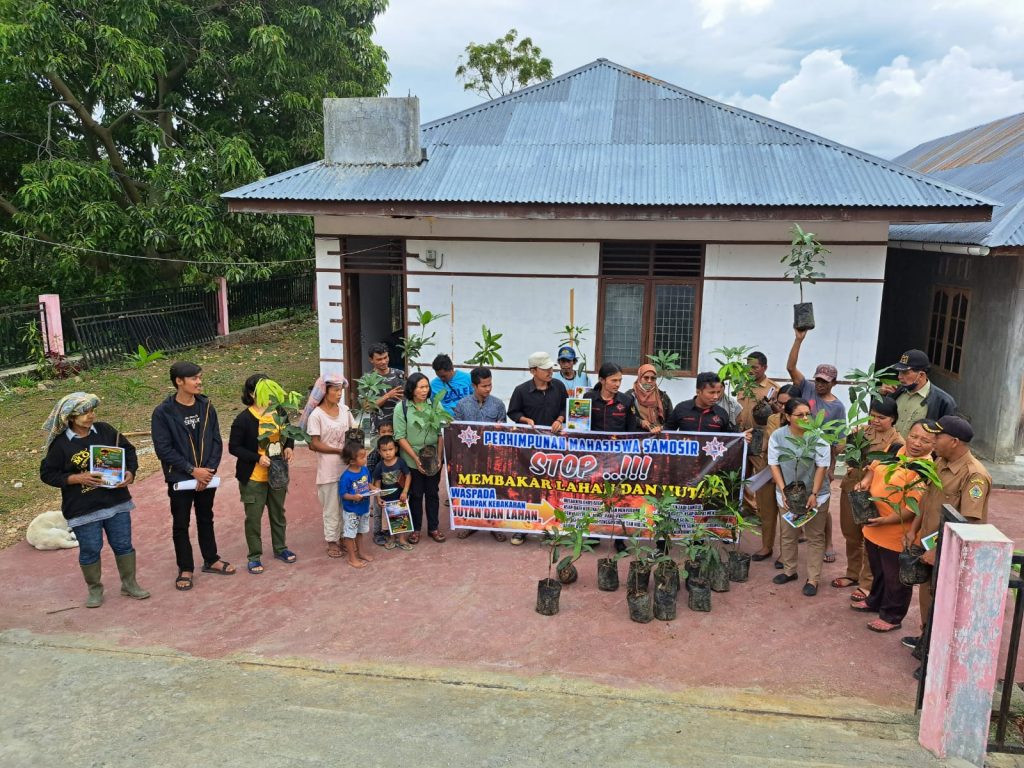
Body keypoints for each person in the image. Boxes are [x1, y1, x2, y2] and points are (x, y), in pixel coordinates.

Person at [39, 393, 149, 607]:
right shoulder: (60, 445)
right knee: (90, 548)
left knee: (123, 544)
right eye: (84, 413)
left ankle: (129, 584)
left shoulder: (105, 431)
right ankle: (95, 589)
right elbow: (47, 474)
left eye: (92, 411)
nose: (90, 416)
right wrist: (75, 478)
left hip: (116, 501)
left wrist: (130, 472)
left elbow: (128, 450)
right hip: (83, 508)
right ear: (71, 417)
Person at [902, 415, 991, 658]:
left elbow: (969, 522)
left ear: (954, 441)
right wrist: (913, 529)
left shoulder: (974, 476)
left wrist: (937, 549)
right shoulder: (940, 462)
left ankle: (936, 654)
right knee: (927, 595)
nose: (932, 440)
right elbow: (926, 498)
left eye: (937, 436)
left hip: (950, 552)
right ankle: (926, 638)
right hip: (929, 546)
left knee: (944, 603)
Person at [151, 361, 231, 592]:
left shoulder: (206, 406)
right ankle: (185, 568)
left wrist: (208, 471)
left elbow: (216, 440)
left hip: (207, 476)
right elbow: (163, 449)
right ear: (179, 381)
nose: (199, 382)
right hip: (180, 478)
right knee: (181, 523)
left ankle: (211, 559)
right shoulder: (163, 412)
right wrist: (192, 470)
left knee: (206, 518)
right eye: (194, 378)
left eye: (199, 377)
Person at [851, 420, 937, 632]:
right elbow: (874, 468)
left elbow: (914, 507)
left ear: (934, 445)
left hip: (896, 531)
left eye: (925, 441)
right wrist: (866, 482)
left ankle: (892, 615)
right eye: (914, 436)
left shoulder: (925, 469)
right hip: (873, 524)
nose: (916, 443)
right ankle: (875, 600)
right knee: (878, 569)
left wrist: (886, 520)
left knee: (895, 577)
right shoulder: (895, 448)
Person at [786, 328, 846, 563]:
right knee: (798, 494)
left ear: (834, 383)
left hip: (820, 460)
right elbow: (791, 368)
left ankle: (827, 542)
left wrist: (831, 467)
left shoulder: (837, 407)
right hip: (799, 456)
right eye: (818, 380)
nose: (820, 385)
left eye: (825, 382)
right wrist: (798, 340)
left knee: (821, 503)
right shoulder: (807, 388)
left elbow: (838, 442)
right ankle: (801, 533)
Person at [833, 398, 903, 600]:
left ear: (893, 419)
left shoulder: (897, 443)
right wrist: (851, 438)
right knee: (850, 533)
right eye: (872, 416)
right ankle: (852, 573)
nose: (875, 421)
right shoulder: (861, 432)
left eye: (881, 417)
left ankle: (867, 583)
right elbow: (843, 453)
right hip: (852, 487)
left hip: (875, 494)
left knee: (870, 537)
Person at [229, 374, 296, 574]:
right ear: (252, 394)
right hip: (253, 477)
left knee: (278, 513)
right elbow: (234, 447)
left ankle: (280, 548)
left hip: (277, 474)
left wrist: (289, 446)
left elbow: (288, 433)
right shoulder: (243, 419)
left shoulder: (279, 411)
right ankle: (254, 556)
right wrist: (256, 458)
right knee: (253, 518)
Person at [768, 397, 832, 596]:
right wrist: (783, 491)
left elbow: (822, 467)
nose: (805, 418)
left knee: (815, 536)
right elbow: (774, 464)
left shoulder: (817, 436)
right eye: (800, 415)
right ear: (788, 417)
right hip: (788, 494)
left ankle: (813, 579)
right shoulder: (778, 436)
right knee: (788, 534)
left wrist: (814, 493)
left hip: (816, 495)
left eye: (808, 414)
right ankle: (789, 570)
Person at [507, 352, 568, 544]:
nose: (550, 372)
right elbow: (513, 412)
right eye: (545, 369)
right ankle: (523, 529)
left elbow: (566, 407)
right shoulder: (521, 391)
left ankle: (550, 527)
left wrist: (560, 419)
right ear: (533, 371)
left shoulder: (559, 387)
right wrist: (525, 420)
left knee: (552, 488)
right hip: (530, 450)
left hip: (555, 448)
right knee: (528, 488)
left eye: (551, 368)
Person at [300, 374, 357, 559]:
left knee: (347, 506)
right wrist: (339, 450)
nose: (339, 394)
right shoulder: (317, 415)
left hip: (347, 468)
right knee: (331, 508)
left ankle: (344, 537)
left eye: (341, 390)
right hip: (328, 470)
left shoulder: (345, 410)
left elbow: (354, 431)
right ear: (325, 392)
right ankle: (332, 541)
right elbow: (314, 443)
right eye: (335, 390)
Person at [454, 367, 509, 543]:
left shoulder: (498, 404)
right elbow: (456, 431)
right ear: (474, 386)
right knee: (471, 492)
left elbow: (504, 431)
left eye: (490, 384)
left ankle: (494, 526)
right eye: (484, 386)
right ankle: (470, 524)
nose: (488, 389)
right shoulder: (462, 405)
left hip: (492, 458)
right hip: (469, 458)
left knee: (493, 492)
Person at [394, 372, 446, 544]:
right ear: (412, 389)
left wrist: (439, 457)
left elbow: (441, 433)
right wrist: (416, 458)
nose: (425, 390)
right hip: (411, 459)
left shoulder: (435, 405)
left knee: (432, 493)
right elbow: (400, 436)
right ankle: (415, 529)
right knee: (415, 495)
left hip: (433, 458)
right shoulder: (402, 407)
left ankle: (433, 528)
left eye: (426, 387)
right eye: (421, 387)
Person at [756, 384, 799, 565]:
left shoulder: (805, 422)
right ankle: (766, 546)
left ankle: (786, 553)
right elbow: (773, 442)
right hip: (769, 470)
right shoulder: (773, 418)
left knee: (789, 514)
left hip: (792, 473)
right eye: (779, 403)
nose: (781, 407)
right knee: (767, 511)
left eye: (786, 404)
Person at [886, 349, 957, 439]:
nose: (899, 376)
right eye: (899, 372)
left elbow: (946, 437)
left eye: (905, 373)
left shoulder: (944, 402)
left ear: (921, 375)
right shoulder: (895, 392)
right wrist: (881, 396)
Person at [371, 435, 413, 551]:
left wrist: (405, 491)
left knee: (402, 518)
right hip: (387, 500)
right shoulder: (379, 466)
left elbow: (408, 475)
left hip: (400, 497)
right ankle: (392, 539)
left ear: (396, 449)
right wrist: (378, 497)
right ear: (379, 452)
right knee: (389, 520)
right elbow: (377, 482)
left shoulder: (400, 462)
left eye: (390, 449)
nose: (388, 453)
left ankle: (402, 539)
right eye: (384, 450)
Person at [338, 440, 375, 568]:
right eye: (362, 457)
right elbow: (343, 494)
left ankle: (361, 552)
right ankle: (352, 558)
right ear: (352, 461)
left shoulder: (364, 470)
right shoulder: (346, 477)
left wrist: (374, 488)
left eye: (365, 455)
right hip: (352, 511)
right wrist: (353, 497)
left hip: (364, 508)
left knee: (360, 532)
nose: (365, 459)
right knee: (350, 534)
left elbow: (368, 484)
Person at [664, 372, 738, 433]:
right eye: (712, 392)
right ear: (698, 391)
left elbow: (730, 438)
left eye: (718, 392)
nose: (716, 396)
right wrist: (659, 431)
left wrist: (742, 436)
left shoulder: (722, 413)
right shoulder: (681, 409)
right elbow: (666, 432)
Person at [586, 362, 641, 432]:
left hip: (618, 439)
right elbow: (581, 424)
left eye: (620, 380)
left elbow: (631, 429)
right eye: (614, 380)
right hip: (594, 439)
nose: (618, 384)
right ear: (602, 380)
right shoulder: (589, 398)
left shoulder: (627, 401)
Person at [367, 419, 395, 546]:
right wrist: (375, 490)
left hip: (393, 487)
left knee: (392, 508)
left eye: (390, 431)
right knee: (378, 511)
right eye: (383, 432)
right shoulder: (374, 455)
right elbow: (370, 474)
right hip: (378, 488)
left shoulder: (396, 450)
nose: (387, 434)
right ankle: (377, 533)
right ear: (378, 433)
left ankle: (391, 530)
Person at [367, 342, 406, 432]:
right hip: (379, 429)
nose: (384, 362)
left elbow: (407, 400)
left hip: (399, 426)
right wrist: (388, 396)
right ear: (371, 360)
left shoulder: (400, 374)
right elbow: (367, 407)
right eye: (379, 359)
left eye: (385, 357)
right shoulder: (367, 380)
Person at [626, 363, 672, 431]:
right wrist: (640, 422)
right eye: (646, 378)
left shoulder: (663, 397)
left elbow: (671, 420)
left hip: (658, 435)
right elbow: (625, 416)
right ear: (639, 378)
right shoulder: (630, 396)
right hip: (638, 435)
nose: (649, 381)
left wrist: (662, 428)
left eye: (653, 378)